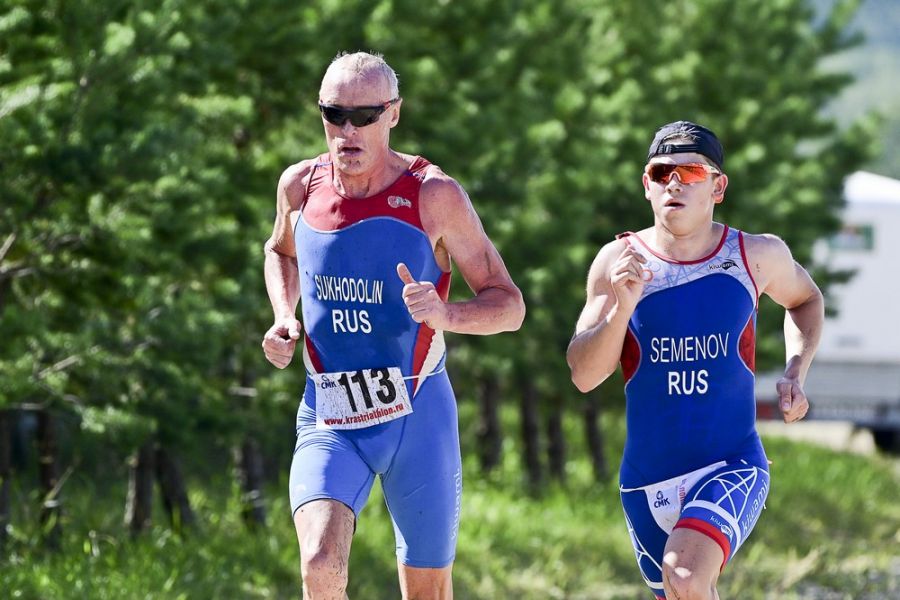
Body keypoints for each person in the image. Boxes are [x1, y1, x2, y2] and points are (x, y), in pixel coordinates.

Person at [261, 52, 525, 600]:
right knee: (320, 564)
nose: (348, 130)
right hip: (330, 414)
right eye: (335, 115)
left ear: (394, 114)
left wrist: (446, 315)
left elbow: (509, 305)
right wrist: (285, 316)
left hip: (418, 416)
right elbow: (280, 251)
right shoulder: (300, 186)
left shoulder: (434, 196)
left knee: (426, 591)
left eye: (365, 116)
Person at [566, 121, 824, 600]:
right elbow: (584, 375)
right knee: (682, 588)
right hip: (646, 482)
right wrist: (621, 308)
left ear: (718, 187)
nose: (674, 183)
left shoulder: (756, 255)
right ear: (646, 185)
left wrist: (796, 371)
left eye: (690, 172)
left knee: (685, 575)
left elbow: (806, 300)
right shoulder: (617, 261)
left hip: (730, 464)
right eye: (661, 173)